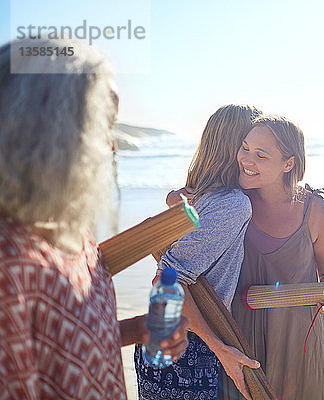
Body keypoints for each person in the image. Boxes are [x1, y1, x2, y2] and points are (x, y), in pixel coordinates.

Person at [0, 38, 188, 399]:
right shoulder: (10, 260)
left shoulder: (77, 237)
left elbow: (60, 345)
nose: (112, 146)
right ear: (47, 129)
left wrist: (138, 329)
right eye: (103, 124)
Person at [134, 104, 263, 400]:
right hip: (186, 350)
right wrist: (221, 350)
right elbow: (169, 281)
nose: (254, 154)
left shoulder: (200, 195)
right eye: (249, 146)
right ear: (235, 147)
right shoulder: (232, 204)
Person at [225, 115, 324, 400]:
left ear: (288, 164)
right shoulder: (231, 203)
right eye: (245, 148)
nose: (247, 159)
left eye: (261, 155)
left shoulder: (316, 213)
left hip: (300, 345)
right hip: (241, 346)